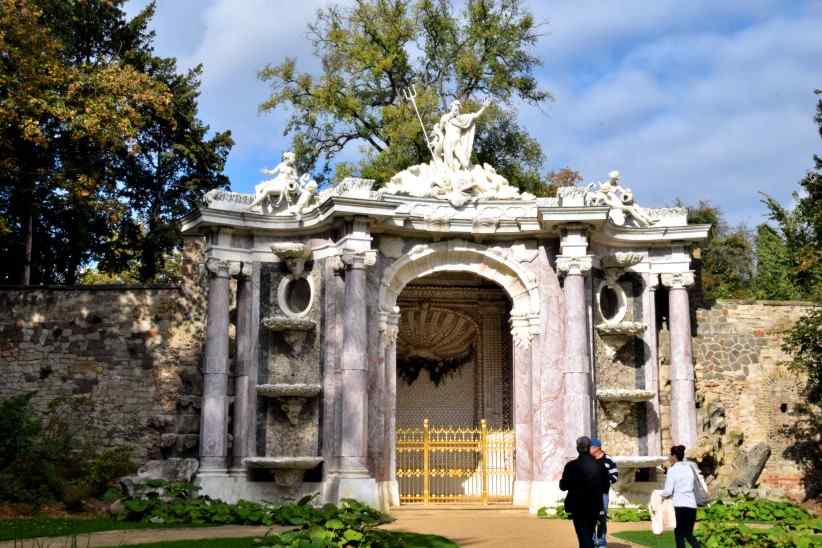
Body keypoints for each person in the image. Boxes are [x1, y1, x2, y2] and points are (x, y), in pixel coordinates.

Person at [560, 436, 611, 548]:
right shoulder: (599, 465)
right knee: (588, 533)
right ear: (589, 448)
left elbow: (563, 486)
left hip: (577, 505)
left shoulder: (571, 466)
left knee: (583, 536)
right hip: (594, 505)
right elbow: (605, 487)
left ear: (578, 448)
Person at [660, 445, 701, 548]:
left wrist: (660, 496)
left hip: (679, 505)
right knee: (688, 534)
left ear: (674, 456)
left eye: (670, 455)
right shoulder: (690, 468)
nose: (669, 458)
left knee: (679, 534)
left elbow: (668, 491)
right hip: (692, 505)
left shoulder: (672, 470)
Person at [590, 439, 619, 547]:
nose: (588, 449)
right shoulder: (589, 460)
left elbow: (615, 476)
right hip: (590, 495)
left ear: (597, 448)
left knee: (602, 518)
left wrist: (603, 481)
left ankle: (601, 542)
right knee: (591, 519)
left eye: (590, 447)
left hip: (603, 495)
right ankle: (592, 542)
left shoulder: (608, 460)